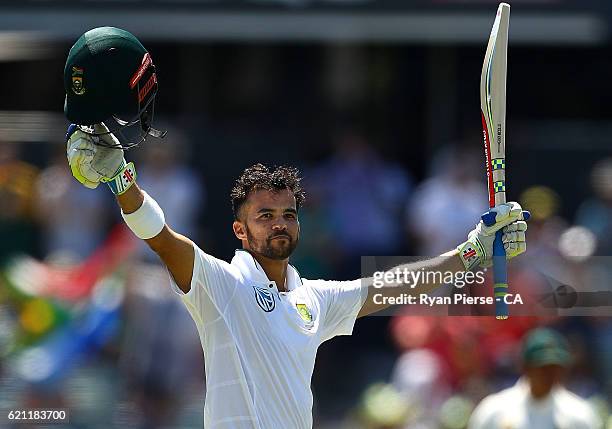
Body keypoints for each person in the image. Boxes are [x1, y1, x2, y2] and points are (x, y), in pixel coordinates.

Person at [63, 27, 529, 429]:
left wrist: (474, 252)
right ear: (239, 231)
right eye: (264, 216)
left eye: (287, 214)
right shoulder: (221, 287)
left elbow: (397, 286)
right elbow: (162, 239)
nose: (280, 224)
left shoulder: (315, 300)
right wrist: (123, 181)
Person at [468, 328, 602, 429]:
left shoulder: (579, 415)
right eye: (543, 367)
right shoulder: (494, 411)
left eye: (555, 368)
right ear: (525, 367)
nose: (550, 375)